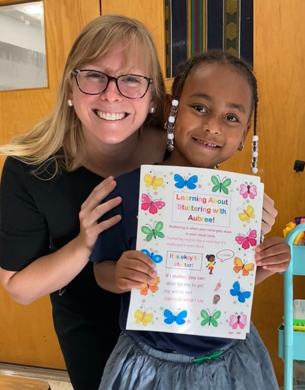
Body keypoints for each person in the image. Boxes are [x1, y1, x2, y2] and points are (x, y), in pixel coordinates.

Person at [91, 50, 291, 390]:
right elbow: (101, 270)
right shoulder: (125, 191)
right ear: (172, 109)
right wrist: (121, 275)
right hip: (147, 365)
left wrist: (268, 264)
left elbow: (227, 285)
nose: (212, 126)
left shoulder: (241, 204)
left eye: (231, 118)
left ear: (245, 134)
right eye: (199, 108)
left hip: (231, 363)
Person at [0, 15, 168, 390]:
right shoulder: (30, 168)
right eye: (94, 75)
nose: (112, 94)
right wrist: (84, 243)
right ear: (70, 87)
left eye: (132, 79)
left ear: (152, 98)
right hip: (92, 334)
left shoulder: (177, 158)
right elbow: (19, 287)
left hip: (175, 337)